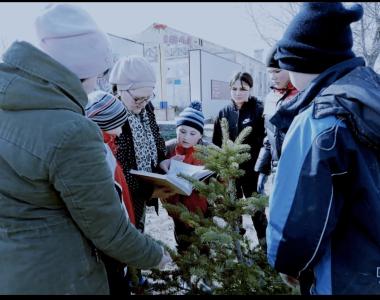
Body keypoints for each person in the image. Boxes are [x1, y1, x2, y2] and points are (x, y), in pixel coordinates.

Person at [0, 4, 171, 294]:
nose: (97, 84)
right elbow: (107, 228)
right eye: (97, 75)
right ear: (79, 71)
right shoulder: (72, 131)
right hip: (60, 276)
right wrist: (157, 255)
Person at [266, 2, 380, 295]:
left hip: (340, 276)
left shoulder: (320, 122)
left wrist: (287, 262)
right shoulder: (371, 96)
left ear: (305, 63)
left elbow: (297, 219)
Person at [108, 55, 176, 289]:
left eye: (148, 98)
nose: (142, 103)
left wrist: (163, 161)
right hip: (127, 190)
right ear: (120, 89)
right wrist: (151, 188)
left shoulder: (146, 108)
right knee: (128, 234)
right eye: (138, 98)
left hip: (145, 185)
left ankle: (136, 276)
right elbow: (117, 164)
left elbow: (155, 136)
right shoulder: (111, 113)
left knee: (139, 229)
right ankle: (129, 279)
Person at [86, 90, 137, 295]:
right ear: (105, 123)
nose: (122, 129)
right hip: (112, 242)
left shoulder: (105, 145)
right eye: (119, 123)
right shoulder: (99, 152)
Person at [212, 71, 267, 248]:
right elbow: (216, 144)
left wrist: (259, 168)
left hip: (252, 173)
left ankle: (264, 248)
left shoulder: (259, 110)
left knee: (257, 212)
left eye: (243, 89)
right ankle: (239, 249)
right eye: (234, 88)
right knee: (233, 213)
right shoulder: (223, 113)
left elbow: (265, 142)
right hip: (231, 175)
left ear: (250, 89)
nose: (238, 92)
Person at [160, 101, 211, 253]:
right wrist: (164, 164)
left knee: (203, 244)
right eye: (182, 131)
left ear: (200, 135)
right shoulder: (168, 148)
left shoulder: (207, 151)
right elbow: (155, 168)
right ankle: (184, 268)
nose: (186, 137)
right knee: (182, 243)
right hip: (176, 207)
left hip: (201, 208)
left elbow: (222, 173)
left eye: (192, 133)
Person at [254, 45, 298, 195]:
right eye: (270, 72)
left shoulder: (304, 97)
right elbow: (269, 137)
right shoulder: (270, 98)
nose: (273, 76)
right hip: (276, 170)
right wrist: (262, 170)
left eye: (277, 71)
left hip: (300, 171)